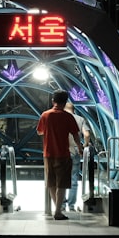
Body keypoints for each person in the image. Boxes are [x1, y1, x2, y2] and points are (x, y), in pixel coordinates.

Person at [36, 90, 83, 220]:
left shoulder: (45, 115)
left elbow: (40, 132)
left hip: (48, 153)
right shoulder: (68, 117)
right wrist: (79, 147)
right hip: (63, 154)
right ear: (65, 101)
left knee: (51, 183)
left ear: (53, 101)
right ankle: (58, 211)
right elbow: (75, 134)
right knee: (62, 183)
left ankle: (56, 208)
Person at [63, 103, 91, 212]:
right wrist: (85, 145)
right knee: (73, 179)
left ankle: (61, 205)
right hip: (75, 151)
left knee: (61, 179)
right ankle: (71, 206)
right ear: (73, 110)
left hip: (63, 151)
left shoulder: (61, 118)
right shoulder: (80, 119)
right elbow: (87, 135)